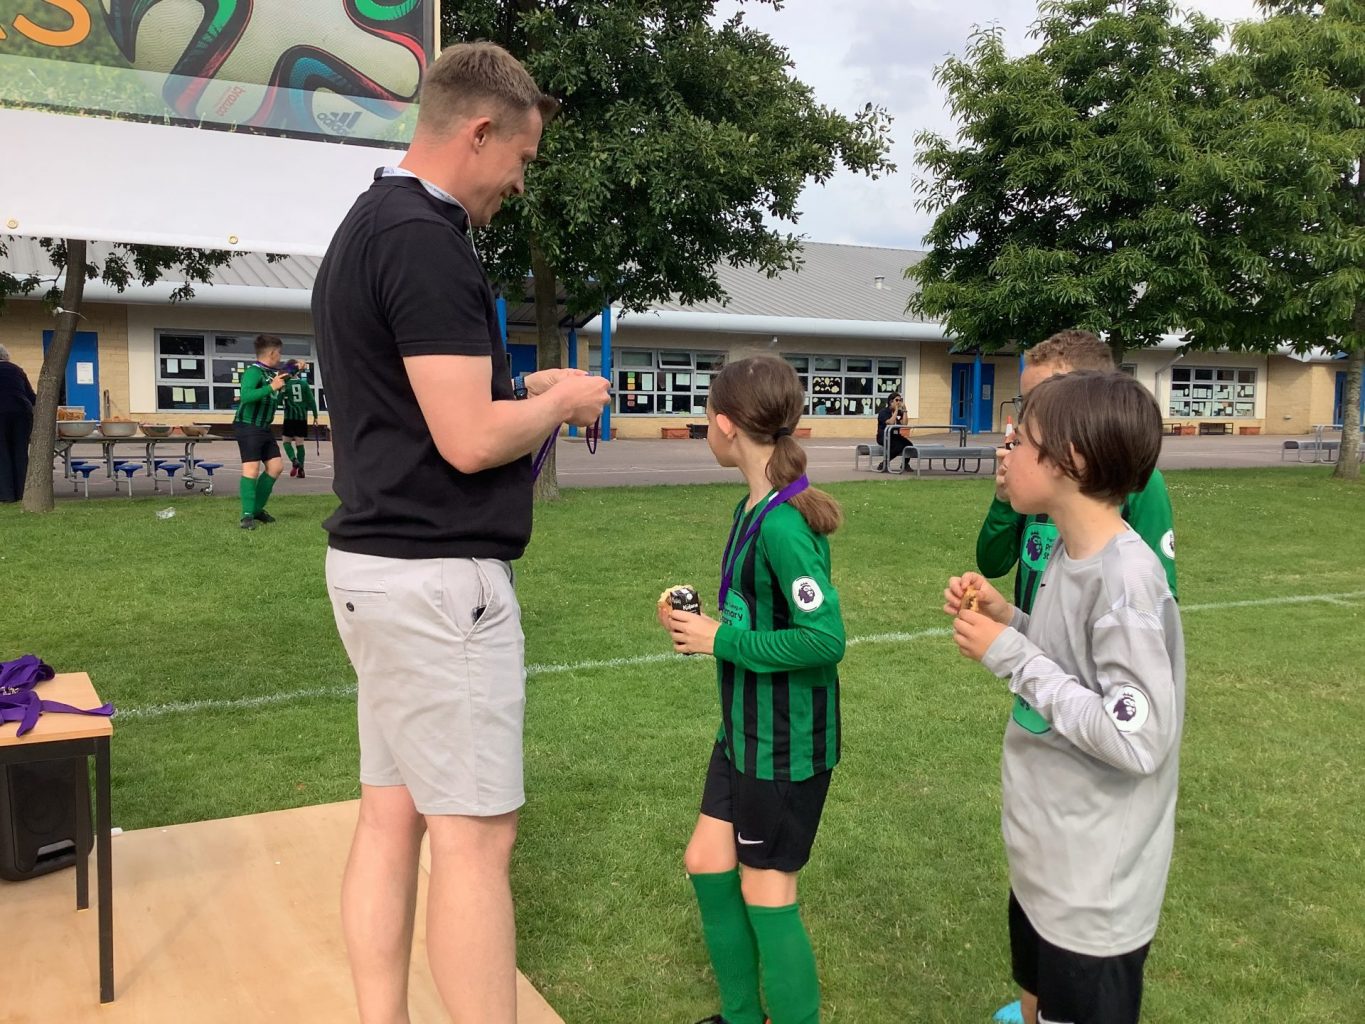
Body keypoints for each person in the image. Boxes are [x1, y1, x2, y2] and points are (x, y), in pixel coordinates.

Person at [311, 42, 609, 1024]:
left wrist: (529, 387)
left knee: (390, 817)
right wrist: (562, 405)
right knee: (475, 841)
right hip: (437, 586)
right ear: (479, 132)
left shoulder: (368, 223)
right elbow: (469, 438)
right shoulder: (427, 239)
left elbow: (421, 403)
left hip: (375, 570)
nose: (520, 184)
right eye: (520, 159)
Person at [946, 370, 1185, 1024]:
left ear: (1069, 460)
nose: (1006, 454)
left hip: (1092, 897)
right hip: (1048, 865)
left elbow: (1135, 739)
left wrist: (1010, 652)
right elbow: (1070, 665)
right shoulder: (1066, 552)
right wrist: (1010, 620)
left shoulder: (1125, 584)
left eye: (1020, 441)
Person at [663, 354, 845, 1024]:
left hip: (783, 744)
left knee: (766, 890)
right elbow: (753, 616)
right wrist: (699, 625)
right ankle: (742, 1017)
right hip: (741, 731)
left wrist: (720, 640)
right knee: (706, 862)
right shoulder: (751, 507)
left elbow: (824, 639)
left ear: (724, 424)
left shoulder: (782, 522)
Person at [232, 334, 289, 530]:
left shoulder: (271, 373)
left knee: (276, 467)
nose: (280, 357)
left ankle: (256, 510)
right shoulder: (253, 372)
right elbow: (246, 396)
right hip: (248, 426)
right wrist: (271, 387)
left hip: (264, 427)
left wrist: (294, 367)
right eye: (279, 353)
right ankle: (247, 516)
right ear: (272, 353)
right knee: (251, 469)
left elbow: (283, 378)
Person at [0, 344, 36, 503]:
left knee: (2, 453)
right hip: (22, 413)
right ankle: (22, 493)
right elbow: (31, 396)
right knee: (20, 452)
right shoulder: (17, 370)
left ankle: (6, 495)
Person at [280, 361, 318, 478]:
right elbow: (311, 401)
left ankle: (294, 459)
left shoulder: (285, 384)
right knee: (300, 444)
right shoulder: (304, 384)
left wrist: (281, 391)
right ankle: (301, 470)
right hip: (302, 418)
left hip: (289, 417)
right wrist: (315, 416)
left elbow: (278, 400)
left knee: (286, 442)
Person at [875, 392, 910, 470]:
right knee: (898, 446)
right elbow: (890, 422)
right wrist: (896, 410)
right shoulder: (883, 412)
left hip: (895, 436)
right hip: (884, 437)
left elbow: (904, 424)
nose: (899, 402)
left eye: (900, 400)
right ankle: (884, 463)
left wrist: (905, 410)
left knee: (909, 445)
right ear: (891, 402)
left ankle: (905, 464)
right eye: (897, 400)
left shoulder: (899, 412)